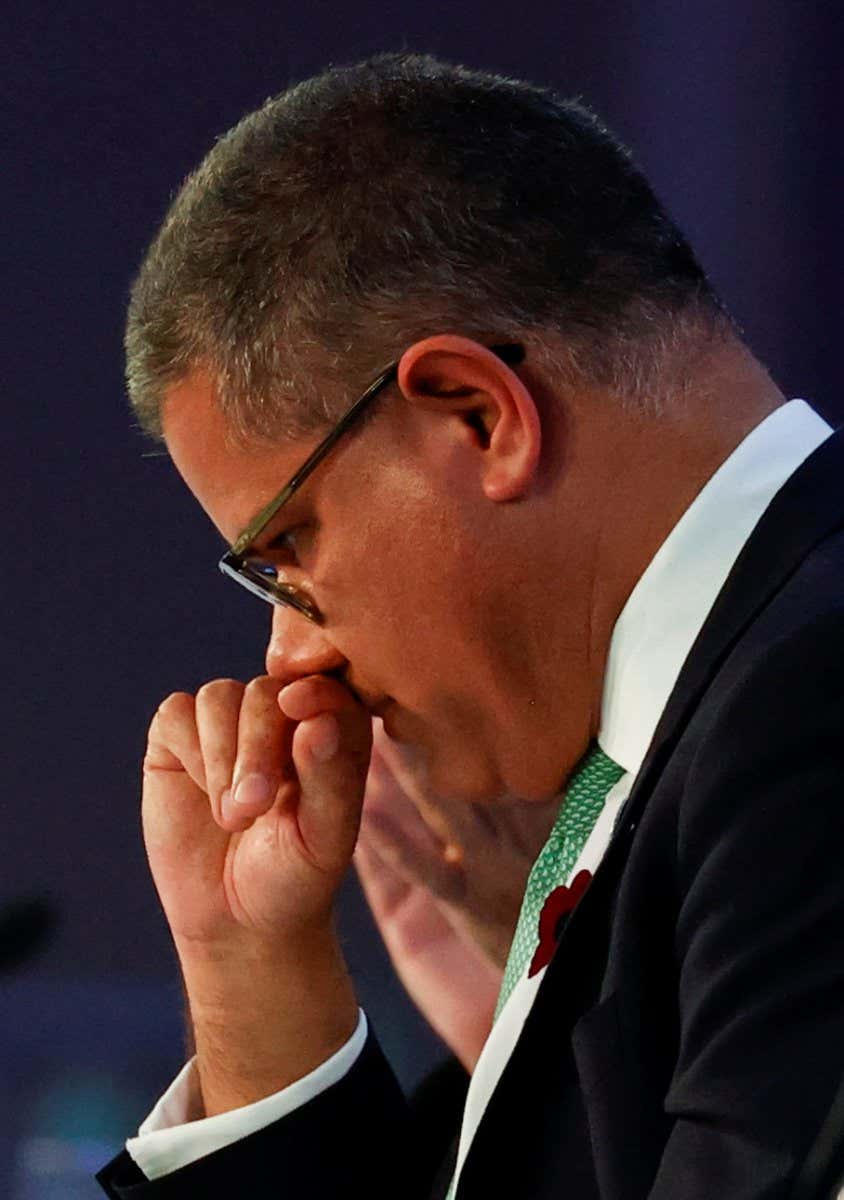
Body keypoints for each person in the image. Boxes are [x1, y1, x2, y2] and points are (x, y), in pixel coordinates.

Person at [96, 52, 844, 1199]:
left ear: (477, 414)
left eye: (287, 546)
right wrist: (255, 978)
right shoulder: (722, 745)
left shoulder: (808, 709)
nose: (294, 655)